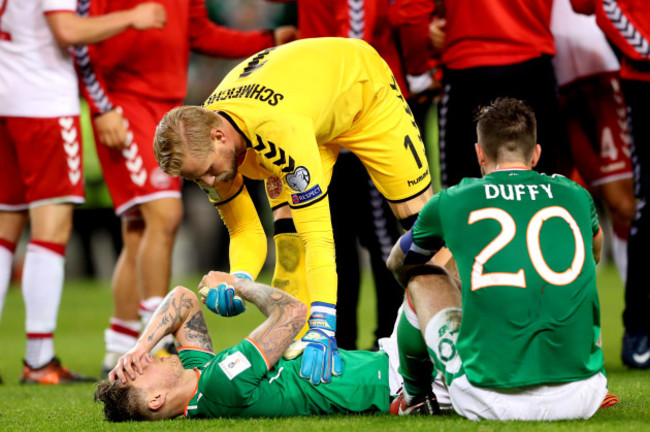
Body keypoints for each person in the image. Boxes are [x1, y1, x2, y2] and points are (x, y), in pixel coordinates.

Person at [153, 37, 433, 384]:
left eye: (209, 170)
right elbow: (245, 231)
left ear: (220, 136)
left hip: (362, 91)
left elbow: (319, 237)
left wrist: (324, 326)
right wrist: (239, 278)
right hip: (306, 107)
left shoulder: (278, 134)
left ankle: (459, 336)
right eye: (198, 179)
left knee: (421, 230)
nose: (211, 180)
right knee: (288, 241)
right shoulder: (207, 147)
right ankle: (291, 356)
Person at [73, 0, 297, 377]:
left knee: (138, 230)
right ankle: (158, 340)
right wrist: (100, 107)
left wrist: (265, 39)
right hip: (126, 102)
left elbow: (201, 34)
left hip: (165, 104)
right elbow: (77, 40)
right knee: (165, 213)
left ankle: (119, 344)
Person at [387, 97, 611, 420]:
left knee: (421, 279)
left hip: (491, 400)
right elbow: (595, 255)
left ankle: (414, 398)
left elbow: (397, 262)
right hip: (584, 393)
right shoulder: (576, 195)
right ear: (536, 153)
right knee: (579, 277)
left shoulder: (454, 200)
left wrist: (455, 286)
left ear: (479, 153)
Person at [0, 0, 165, 384]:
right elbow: (66, 29)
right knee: (51, 232)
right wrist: (131, 18)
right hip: (42, 106)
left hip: (7, 98)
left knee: (6, 232)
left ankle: (39, 359)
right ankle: (39, 360)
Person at [93, 272, 435, 420]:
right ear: (156, 400)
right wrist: (237, 285)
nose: (147, 359)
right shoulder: (219, 385)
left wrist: (139, 345)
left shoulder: (198, 376)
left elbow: (182, 299)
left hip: (384, 364)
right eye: (140, 369)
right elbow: (293, 311)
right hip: (392, 380)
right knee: (429, 278)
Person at [570, 0, 650, 369]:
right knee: (637, 206)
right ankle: (637, 330)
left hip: (596, 73)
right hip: (621, 76)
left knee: (629, 206)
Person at [551, 0, 635, 284]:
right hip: (541, 68)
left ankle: (637, 321)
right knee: (544, 200)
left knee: (622, 203)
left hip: (600, 68)